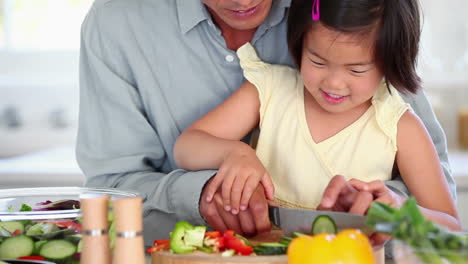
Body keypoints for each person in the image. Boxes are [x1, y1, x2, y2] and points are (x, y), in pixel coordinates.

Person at [77, 0, 456, 244]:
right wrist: (231, 156)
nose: (334, 83)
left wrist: (393, 215)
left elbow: (449, 231)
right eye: (318, 62)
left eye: (357, 69)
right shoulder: (273, 87)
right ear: (299, 46)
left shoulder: (399, 121)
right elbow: (184, 148)